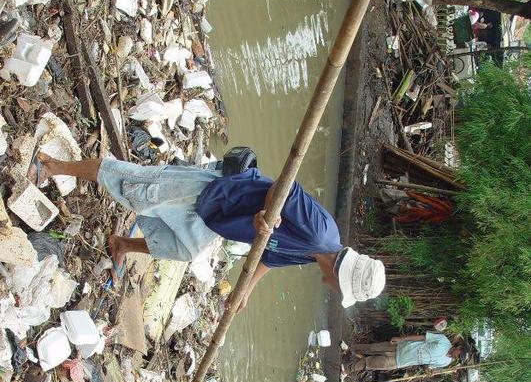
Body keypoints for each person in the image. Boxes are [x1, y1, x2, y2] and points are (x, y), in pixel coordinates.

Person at [33, 153, 386, 312]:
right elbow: (285, 187)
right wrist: (267, 212)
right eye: (342, 290)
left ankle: (123, 244)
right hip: (218, 192)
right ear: (341, 276)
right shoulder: (322, 235)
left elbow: (266, 257)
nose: (334, 291)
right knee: (132, 184)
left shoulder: (311, 257)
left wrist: (244, 291)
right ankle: (53, 165)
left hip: (217, 219)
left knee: (183, 249)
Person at [352, 332, 467, 372]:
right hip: (402, 347)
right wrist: (402, 339)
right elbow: (422, 338)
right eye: (459, 355)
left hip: (402, 361)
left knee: (372, 363)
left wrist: (427, 369)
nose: (457, 358)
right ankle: (349, 349)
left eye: (459, 359)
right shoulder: (443, 340)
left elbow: (426, 364)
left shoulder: (445, 362)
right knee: (372, 348)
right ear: (459, 348)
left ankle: (348, 369)